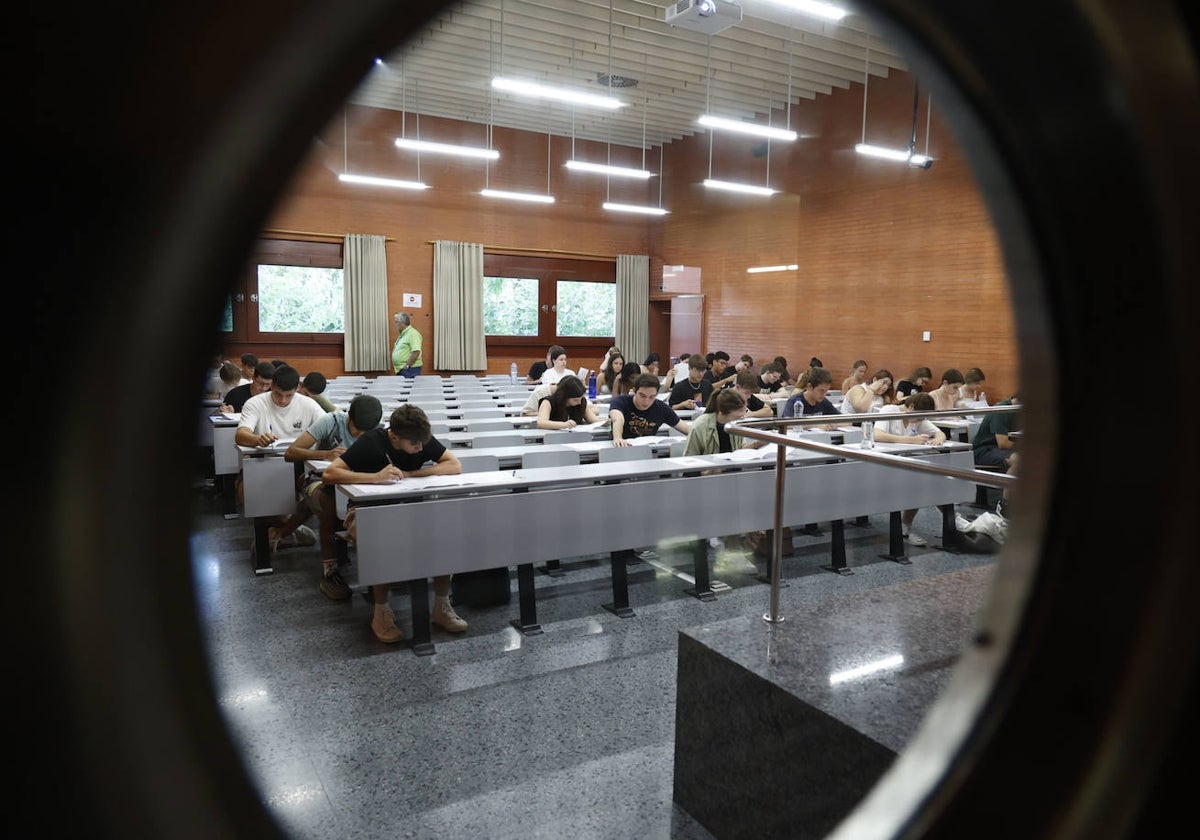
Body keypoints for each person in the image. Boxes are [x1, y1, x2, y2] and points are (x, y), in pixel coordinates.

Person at [322, 405, 469, 643]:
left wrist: (411, 474)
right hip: (364, 511)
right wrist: (375, 478)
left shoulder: (420, 437)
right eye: (414, 445)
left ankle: (441, 605)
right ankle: (381, 611)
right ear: (394, 436)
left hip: (411, 507)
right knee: (383, 539)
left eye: (423, 443)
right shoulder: (371, 442)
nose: (420, 449)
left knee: (445, 535)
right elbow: (330, 474)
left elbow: (454, 465)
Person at [285, 394, 384, 601]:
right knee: (330, 504)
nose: (358, 436)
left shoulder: (378, 429)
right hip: (317, 480)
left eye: (365, 433)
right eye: (355, 430)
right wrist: (324, 454)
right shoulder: (331, 421)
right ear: (348, 416)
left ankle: (380, 572)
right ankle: (329, 572)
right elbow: (291, 452)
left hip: (356, 481)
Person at [235, 365, 327, 552]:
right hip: (263, 462)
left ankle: (283, 530)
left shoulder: (308, 404)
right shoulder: (256, 403)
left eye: (289, 395)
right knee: (247, 493)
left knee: (316, 492)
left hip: (298, 464)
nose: (283, 400)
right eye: (278, 394)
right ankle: (286, 527)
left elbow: (328, 427)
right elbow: (241, 434)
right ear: (272, 386)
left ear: (297, 389)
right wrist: (256, 439)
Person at [873, 392, 948, 546]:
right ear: (911, 407)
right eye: (920, 417)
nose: (920, 421)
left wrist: (939, 438)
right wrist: (910, 440)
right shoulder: (890, 410)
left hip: (905, 464)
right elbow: (877, 435)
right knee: (918, 481)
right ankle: (905, 525)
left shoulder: (918, 418)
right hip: (883, 464)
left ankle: (906, 525)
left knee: (926, 480)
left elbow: (938, 432)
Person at [609, 374, 692, 445]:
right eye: (642, 396)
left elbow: (684, 427)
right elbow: (618, 419)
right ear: (634, 391)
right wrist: (618, 438)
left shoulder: (661, 408)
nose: (646, 401)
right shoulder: (620, 401)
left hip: (648, 451)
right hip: (621, 448)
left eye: (652, 397)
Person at [683, 388, 749, 456]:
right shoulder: (700, 426)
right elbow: (689, 458)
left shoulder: (736, 424)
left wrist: (756, 444)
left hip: (733, 464)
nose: (741, 419)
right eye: (737, 417)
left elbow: (741, 449)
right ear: (721, 412)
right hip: (707, 466)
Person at [973, 393, 1021, 469]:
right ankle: (1007, 480)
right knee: (1019, 460)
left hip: (1002, 449)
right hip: (986, 449)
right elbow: (1003, 443)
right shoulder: (1001, 410)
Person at [536, 374, 601, 430]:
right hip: (551, 437)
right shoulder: (548, 402)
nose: (579, 402)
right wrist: (564, 425)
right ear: (565, 396)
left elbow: (593, 419)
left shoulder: (581, 402)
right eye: (575, 400)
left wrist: (606, 421)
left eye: (581, 398)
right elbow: (541, 422)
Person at [391, 312, 423, 377]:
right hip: (403, 369)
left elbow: (416, 351)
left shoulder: (413, 334)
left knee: (408, 387)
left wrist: (407, 365)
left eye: (396, 322)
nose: (395, 324)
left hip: (410, 369)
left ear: (403, 323)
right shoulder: (403, 334)